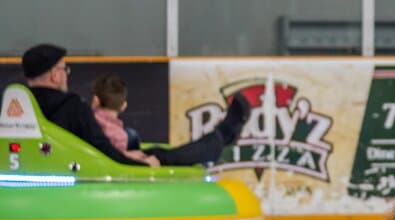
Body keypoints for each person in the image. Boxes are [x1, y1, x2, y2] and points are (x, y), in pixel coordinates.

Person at [21, 43, 250, 168]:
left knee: (149, 150)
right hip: (94, 166)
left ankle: (224, 135)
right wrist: (140, 166)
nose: (66, 75)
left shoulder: (26, 109)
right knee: (160, 155)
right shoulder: (72, 106)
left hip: (68, 164)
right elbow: (104, 151)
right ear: (53, 75)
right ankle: (223, 134)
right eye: (64, 69)